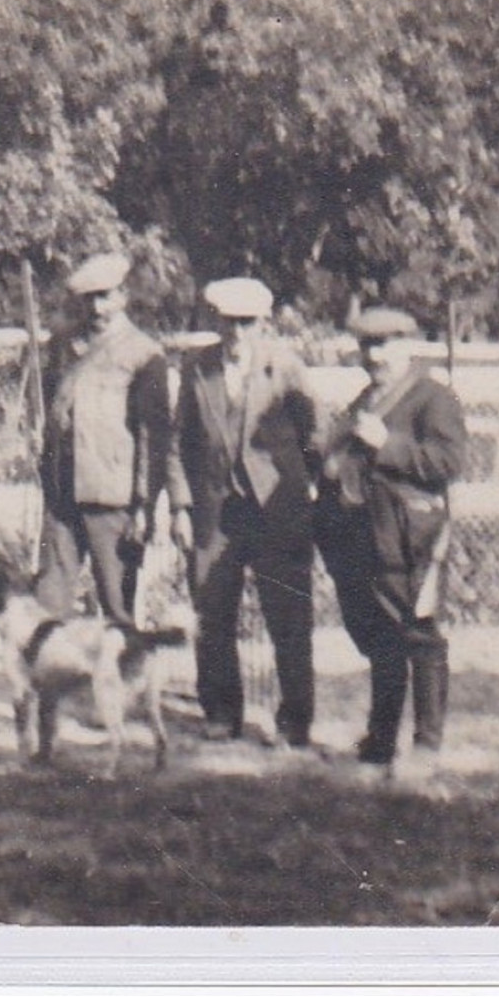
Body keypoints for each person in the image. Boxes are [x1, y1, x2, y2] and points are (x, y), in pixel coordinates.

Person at [166, 278, 319, 747]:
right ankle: (220, 711)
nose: (235, 333)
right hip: (216, 511)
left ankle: (295, 719)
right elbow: (177, 445)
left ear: (263, 324)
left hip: (276, 511)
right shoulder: (197, 369)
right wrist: (180, 506)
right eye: (227, 323)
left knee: (288, 617)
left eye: (246, 324)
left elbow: (315, 437)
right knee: (212, 615)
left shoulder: (286, 368)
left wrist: (301, 496)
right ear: (215, 321)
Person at [314, 308, 467, 768]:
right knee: (379, 637)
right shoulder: (364, 399)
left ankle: (426, 743)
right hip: (363, 534)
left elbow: (448, 462)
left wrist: (387, 444)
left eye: (384, 345)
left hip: (410, 537)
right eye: (367, 346)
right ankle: (381, 738)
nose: (374, 355)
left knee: (419, 635)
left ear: (407, 346)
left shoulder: (432, 398)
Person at [36, 252, 171, 626]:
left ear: (123, 296)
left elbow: (153, 436)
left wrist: (143, 505)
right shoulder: (63, 344)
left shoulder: (144, 354)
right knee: (47, 605)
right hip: (63, 495)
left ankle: (126, 685)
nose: (97, 307)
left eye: (106, 296)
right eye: (89, 298)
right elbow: (53, 407)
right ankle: (56, 684)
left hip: (113, 498)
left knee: (117, 609)